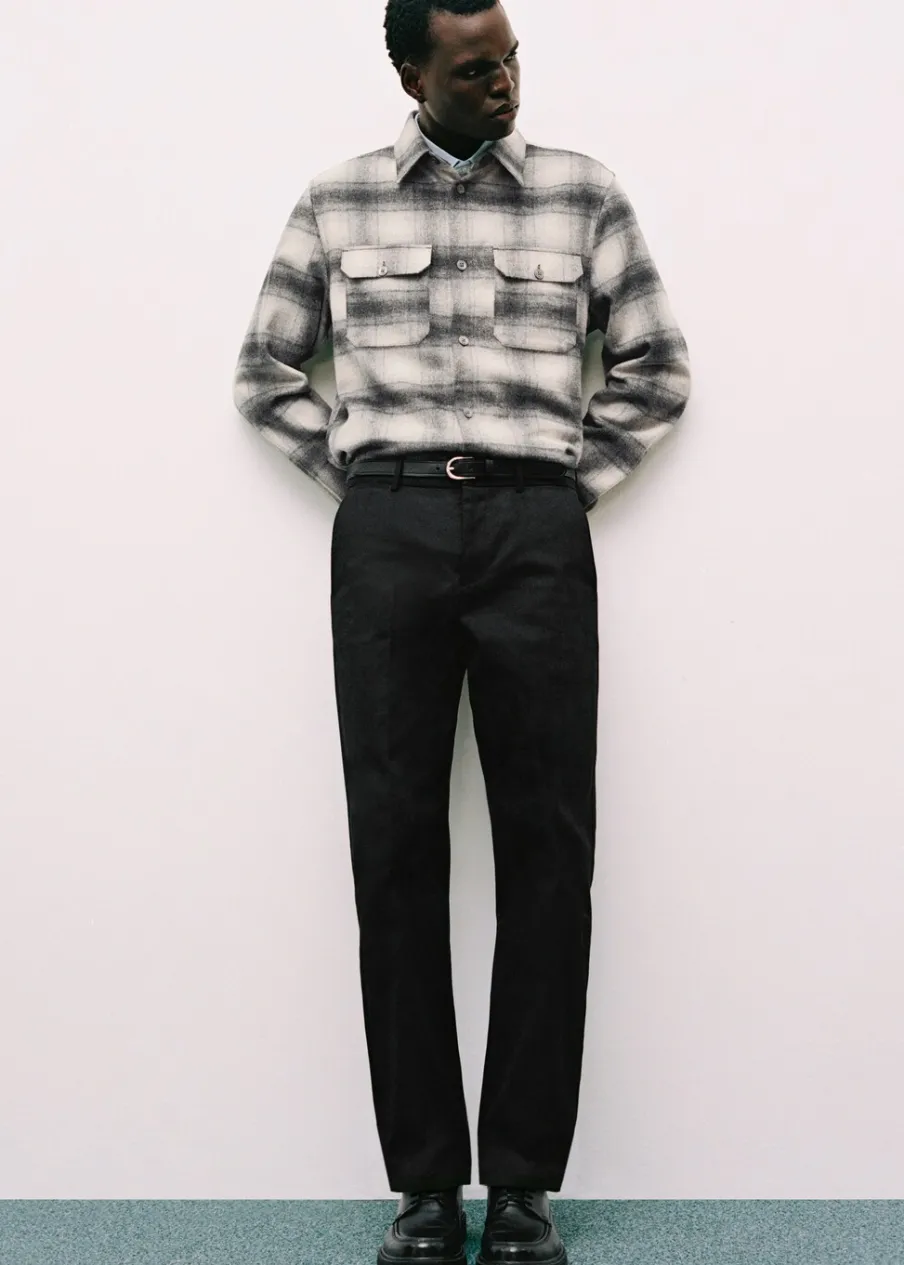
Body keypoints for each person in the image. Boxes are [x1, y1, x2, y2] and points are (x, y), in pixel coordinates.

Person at [232, 1, 691, 1260]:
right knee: (393, 851)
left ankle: (526, 1186)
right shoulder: (337, 200)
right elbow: (265, 371)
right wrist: (366, 484)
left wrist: (563, 490)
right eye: (475, 67)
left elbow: (655, 364)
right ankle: (426, 1189)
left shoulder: (582, 193)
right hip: (388, 536)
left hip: (535, 531)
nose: (504, 83)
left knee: (550, 850)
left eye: (511, 59)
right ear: (411, 75)